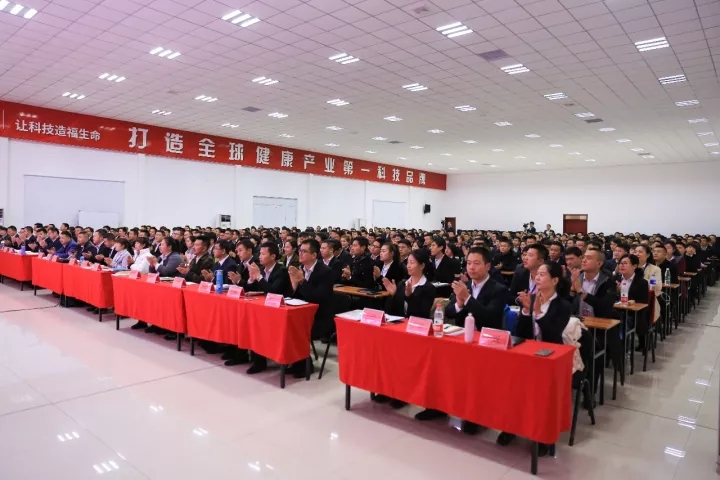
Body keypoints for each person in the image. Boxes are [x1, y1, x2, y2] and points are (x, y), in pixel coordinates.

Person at [498, 262, 571, 456]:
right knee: (510, 381)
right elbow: (522, 333)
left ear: (554, 280)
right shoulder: (532, 298)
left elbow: (553, 336)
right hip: (529, 354)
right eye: (537, 274)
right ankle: (511, 426)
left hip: (551, 358)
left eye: (542, 274)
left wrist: (537, 313)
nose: (537, 278)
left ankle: (542, 436)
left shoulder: (563, 305)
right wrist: (525, 311)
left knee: (541, 390)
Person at [441, 247, 509, 433]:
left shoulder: (499, 289)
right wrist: (459, 303)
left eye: (476, 263)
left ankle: (478, 417)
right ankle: (445, 408)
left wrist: (467, 298)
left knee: (479, 384)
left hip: (487, 342)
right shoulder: (465, 286)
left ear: (488, 266)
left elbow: (489, 317)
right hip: (463, 340)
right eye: (469, 263)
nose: (471, 267)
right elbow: (449, 312)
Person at [286, 239, 335, 378]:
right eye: (299, 251)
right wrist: (294, 286)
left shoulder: (325, 271)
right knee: (285, 324)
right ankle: (295, 361)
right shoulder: (300, 269)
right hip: (302, 312)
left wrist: (302, 281)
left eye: (304, 251)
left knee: (296, 327)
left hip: (320, 317)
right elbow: (294, 296)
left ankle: (304, 365)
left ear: (314, 255)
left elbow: (318, 297)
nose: (300, 254)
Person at [243, 242, 291, 374]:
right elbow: (250, 289)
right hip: (265, 308)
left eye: (263, 254)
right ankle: (255, 359)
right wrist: (251, 279)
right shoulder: (261, 269)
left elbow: (273, 291)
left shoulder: (281, 271)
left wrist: (259, 277)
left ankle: (260, 360)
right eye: (260, 253)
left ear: (273, 256)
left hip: (281, 311)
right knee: (249, 321)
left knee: (258, 324)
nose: (260, 256)